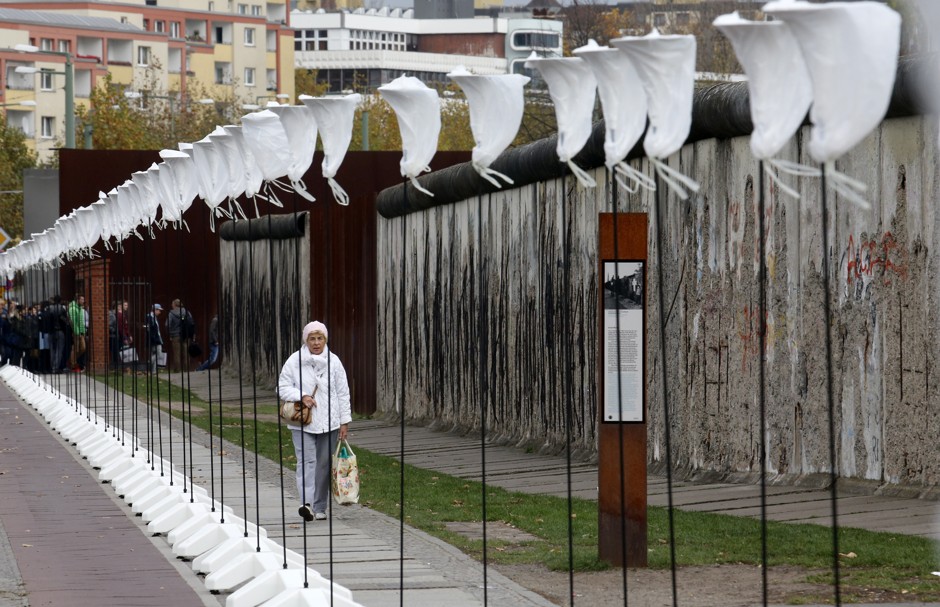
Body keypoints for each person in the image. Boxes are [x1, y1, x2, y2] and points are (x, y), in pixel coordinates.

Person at [278, 320, 351, 522]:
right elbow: (282, 387)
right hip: (303, 423)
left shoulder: (334, 361)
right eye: (312, 338)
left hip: (329, 421)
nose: (316, 343)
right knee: (306, 462)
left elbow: (343, 392)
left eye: (320, 338)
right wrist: (301, 395)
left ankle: (320, 506)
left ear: (325, 339)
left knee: (324, 464)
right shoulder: (294, 361)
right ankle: (307, 504)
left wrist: (344, 422)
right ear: (306, 340)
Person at [166, 298, 193, 372]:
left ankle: (177, 370)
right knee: (186, 353)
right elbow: (191, 323)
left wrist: (170, 333)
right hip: (186, 335)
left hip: (175, 335)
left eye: (172, 304)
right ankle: (186, 369)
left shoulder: (171, 313)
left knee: (176, 354)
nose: (171, 305)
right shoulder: (187, 312)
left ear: (174, 305)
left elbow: (167, 324)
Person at [46, 295, 70, 373]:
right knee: (59, 350)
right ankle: (55, 367)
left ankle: (52, 366)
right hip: (59, 331)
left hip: (51, 331)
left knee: (52, 350)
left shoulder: (49, 308)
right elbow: (65, 320)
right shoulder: (62, 309)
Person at [67, 294, 86, 372]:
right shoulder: (72, 308)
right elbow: (73, 322)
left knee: (82, 348)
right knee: (76, 349)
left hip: (81, 332)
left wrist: (83, 331)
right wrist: (77, 332)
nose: (83, 301)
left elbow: (82, 321)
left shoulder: (80, 308)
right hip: (76, 332)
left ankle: (72, 361)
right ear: (77, 300)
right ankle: (72, 364)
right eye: (82, 299)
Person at [145, 303, 164, 373]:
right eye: (159, 310)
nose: (160, 312)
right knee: (158, 354)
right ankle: (149, 362)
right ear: (155, 310)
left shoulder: (153, 317)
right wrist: (155, 338)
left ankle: (154, 370)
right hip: (154, 339)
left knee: (154, 353)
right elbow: (150, 329)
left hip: (156, 338)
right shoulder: (150, 317)